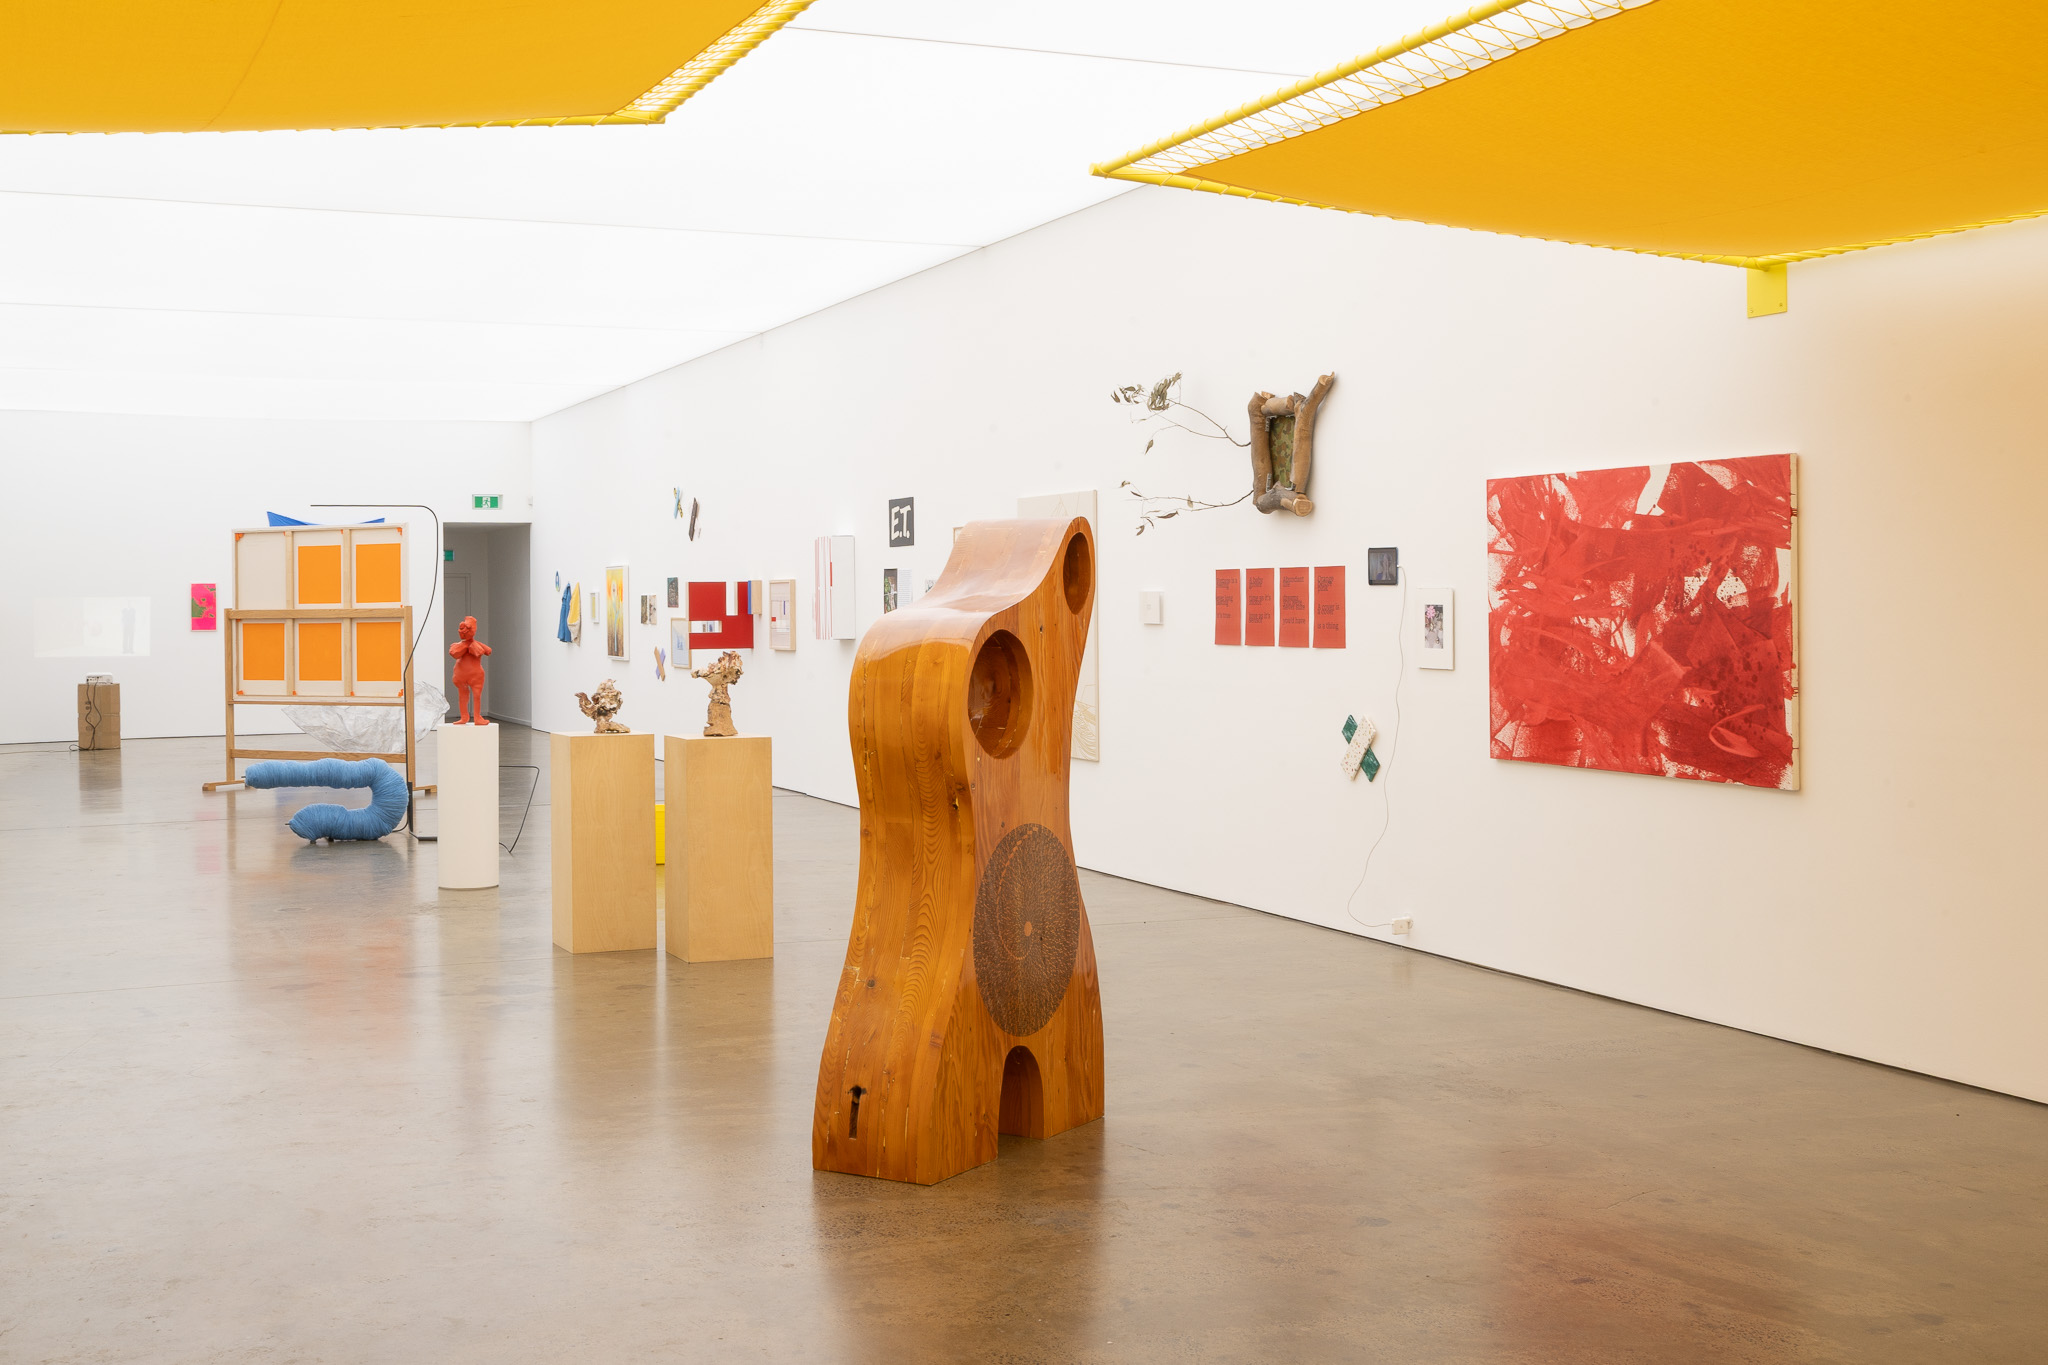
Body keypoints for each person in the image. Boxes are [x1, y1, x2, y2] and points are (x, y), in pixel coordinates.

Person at [449, 616, 491, 724]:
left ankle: (471, 717)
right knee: (471, 695)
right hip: (469, 675)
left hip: (469, 675)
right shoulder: (464, 645)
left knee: (469, 695)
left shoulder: (464, 645)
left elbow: (488, 651)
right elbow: (488, 651)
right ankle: (470, 717)